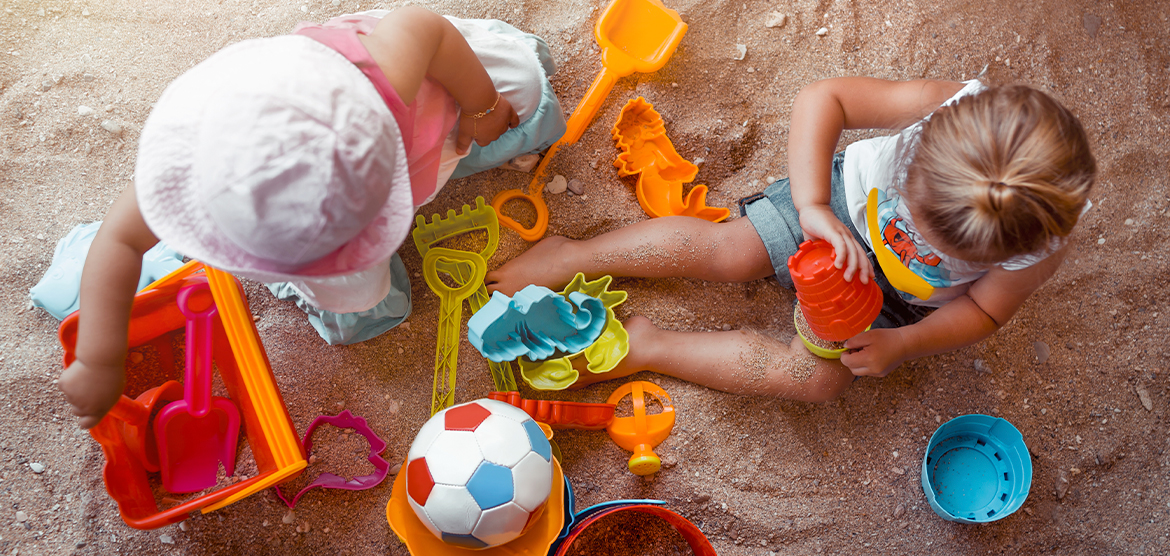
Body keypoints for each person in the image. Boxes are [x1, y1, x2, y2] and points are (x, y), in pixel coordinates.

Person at [60, 6, 567, 428]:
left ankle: (498, 91)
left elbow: (426, 27)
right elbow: (119, 242)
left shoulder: (378, 78)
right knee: (362, 309)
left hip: (428, 111)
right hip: (398, 144)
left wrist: (481, 106)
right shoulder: (194, 169)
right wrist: (98, 358)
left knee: (524, 91)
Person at [487, 77, 1096, 404]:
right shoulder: (946, 106)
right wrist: (811, 205)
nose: (916, 234)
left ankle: (651, 347)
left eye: (947, 243)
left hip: (900, 301)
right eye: (915, 210)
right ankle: (574, 254)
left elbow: (986, 309)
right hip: (839, 207)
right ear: (923, 147)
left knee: (818, 382)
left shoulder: (1037, 244)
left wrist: (904, 343)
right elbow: (823, 100)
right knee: (730, 251)